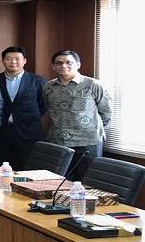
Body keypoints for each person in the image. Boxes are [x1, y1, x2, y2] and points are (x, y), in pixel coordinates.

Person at [44, 50, 113, 180]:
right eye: (59, 63)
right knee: (59, 182)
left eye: (68, 62)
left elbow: (106, 112)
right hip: (58, 140)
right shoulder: (49, 86)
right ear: (53, 66)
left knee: (86, 182)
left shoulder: (93, 84)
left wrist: (89, 129)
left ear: (78, 64)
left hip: (87, 142)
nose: (64, 66)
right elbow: (48, 108)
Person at [0, 46, 47, 170]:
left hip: (28, 130)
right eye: (9, 59)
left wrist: (27, 117)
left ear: (24, 61)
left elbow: (43, 104)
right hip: (2, 131)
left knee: (31, 168)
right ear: (3, 61)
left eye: (17, 59)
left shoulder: (38, 81)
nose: (13, 62)